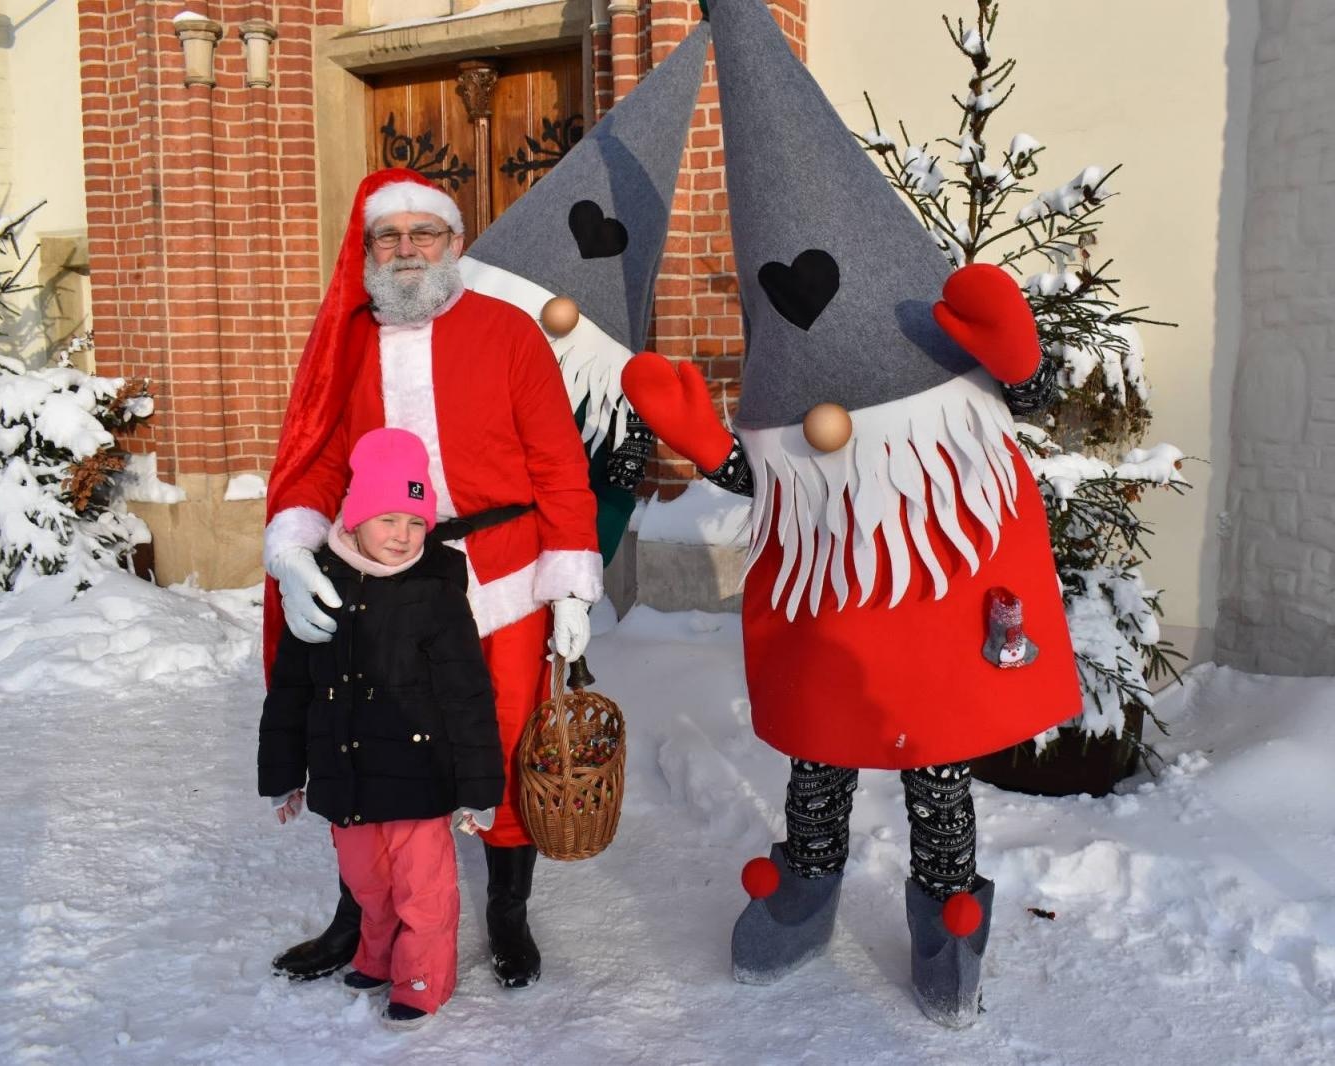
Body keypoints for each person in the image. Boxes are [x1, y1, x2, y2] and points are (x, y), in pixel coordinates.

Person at [619, 0, 1083, 1029]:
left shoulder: (950, 420)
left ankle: (945, 905)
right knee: (819, 747)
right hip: (832, 598)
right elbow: (774, 478)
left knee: (938, 759)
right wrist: (713, 448)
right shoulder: (802, 452)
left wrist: (1023, 361)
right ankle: (810, 874)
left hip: (935, 597)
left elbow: (1018, 404)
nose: (831, 424)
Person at [262, 168, 602, 990]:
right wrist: (294, 547)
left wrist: (569, 585)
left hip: (504, 569)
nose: (407, 249)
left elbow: (559, 465)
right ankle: (363, 915)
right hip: (377, 569)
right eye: (390, 235)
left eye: (426, 234)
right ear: (369, 248)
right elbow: (321, 462)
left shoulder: (509, 332)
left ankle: (507, 913)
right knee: (362, 738)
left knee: (510, 735)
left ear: (455, 244)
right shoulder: (347, 340)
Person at [259, 428, 503, 1031]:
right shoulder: (318, 586)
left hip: (420, 777)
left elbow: (469, 696)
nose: (402, 535)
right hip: (345, 773)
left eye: (416, 521)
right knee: (367, 882)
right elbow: (291, 689)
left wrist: (479, 787)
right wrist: (285, 775)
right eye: (388, 518)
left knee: (423, 888)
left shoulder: (436, 593)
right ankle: (377, 951)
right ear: (356, 516)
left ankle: (422, 977)